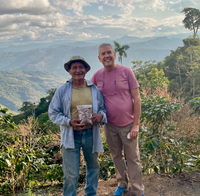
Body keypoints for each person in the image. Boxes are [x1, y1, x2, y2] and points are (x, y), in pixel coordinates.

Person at [91, 43, 144, 196]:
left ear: (114, 55)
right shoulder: (97, 76)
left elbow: (137, 98)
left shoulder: (126, 72)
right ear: (99, 58)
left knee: (133, 158)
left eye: (109, 52)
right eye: (103, 53)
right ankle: (122, 184)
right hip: (109, 125)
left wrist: (136, 125)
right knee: (116, 156)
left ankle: (138, 190)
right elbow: (89, 94)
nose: (107, 55)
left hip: (128, 124)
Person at [48, 55, 107, 196]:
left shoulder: (94, 90)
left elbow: (103, 110)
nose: (78, 70)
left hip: (90, 134)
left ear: (86, 70)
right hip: (70, 135)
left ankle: (90, 193)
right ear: (69, 70)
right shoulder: (63, 90)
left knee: (93, 167)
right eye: (74, 67)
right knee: (71, 173)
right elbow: (53, 112)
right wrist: (69, 122)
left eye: (81, 67)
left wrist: (100, 116)